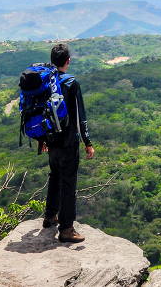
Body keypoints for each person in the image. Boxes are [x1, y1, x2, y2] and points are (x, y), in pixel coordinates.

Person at [42, 43, 95, 243]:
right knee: (68, 182)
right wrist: (87, 142)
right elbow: (81, 117)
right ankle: (66, 229)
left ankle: (49, 217)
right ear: (68, 61)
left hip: (51, 140)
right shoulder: (71, 83)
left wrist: (42, 139)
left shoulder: (46, 80)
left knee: (55, 176)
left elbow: (41, 113)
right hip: (68, 141)